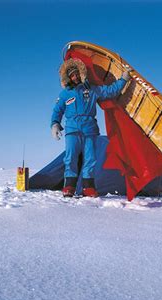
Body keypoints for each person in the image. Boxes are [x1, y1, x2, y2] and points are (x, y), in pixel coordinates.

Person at [51, 58, 131, 197]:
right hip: (72, 130)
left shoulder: (92, 90)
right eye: (72, 75)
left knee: (91, 158)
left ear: (81, 74)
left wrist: (123, 79)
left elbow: (110, 91)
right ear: (68, 77)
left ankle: (88, 187)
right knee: (71, 158)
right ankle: (69, 186)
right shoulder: (65, 94)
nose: (75, 77)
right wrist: (55, 124)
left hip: (90, 130)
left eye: (77, 74)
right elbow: (57, 110)